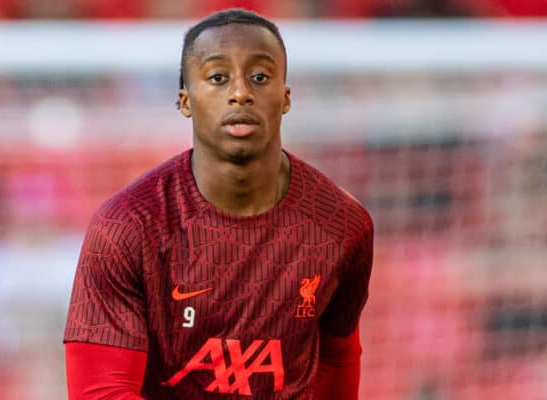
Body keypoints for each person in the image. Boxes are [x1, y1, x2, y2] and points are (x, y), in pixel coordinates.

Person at [64, 8, 373, 400]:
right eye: (217, 77)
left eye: (260, 77)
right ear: (185, 101)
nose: (241, 91)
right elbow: (100, 393)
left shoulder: (342, 224)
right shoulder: (127, 226)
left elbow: (337, 361)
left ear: (286, 97)